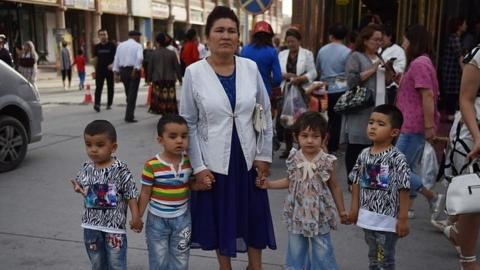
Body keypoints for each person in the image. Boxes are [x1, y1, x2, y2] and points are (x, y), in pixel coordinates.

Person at [179, 6, 276, 270]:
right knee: (222, 216)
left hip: (248, 157)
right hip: (214, 160)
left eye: (231, 31)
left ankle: (255, 266)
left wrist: (264, 155)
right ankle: (226, 267)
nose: (226, 36)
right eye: (219, 30)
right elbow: (188, 122)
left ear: (238, 37)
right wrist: (198, 166)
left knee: (253, 215)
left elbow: (264, 112)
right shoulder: (194, 73)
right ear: (207, 37)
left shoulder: (250, 67)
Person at [256, 112, 347, 270]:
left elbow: (335, 186)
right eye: (304, 135)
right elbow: (290, 181)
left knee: (322, 250)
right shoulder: (294, 158)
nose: (310, 140)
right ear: (296, 137)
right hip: (297, 213)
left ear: (324, 138)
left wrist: (342, 211)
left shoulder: (327, 161)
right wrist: (269, 185)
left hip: (320, 214)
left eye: (315, 136)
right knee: (296, 249)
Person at [70, 120, 142, 269]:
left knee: (116, 263)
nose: (93, 150)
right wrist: (78, 187)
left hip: (114, 229)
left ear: (113, 147)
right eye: (88, 145)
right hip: (91, 226)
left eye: (99, 145)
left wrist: (136, 216)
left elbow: (130, 193)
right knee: (97, 263)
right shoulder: (86, 167)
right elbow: (82, 185)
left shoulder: (120, 169)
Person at [347, 104, 410, 269]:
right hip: (368, 219)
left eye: (381, 124)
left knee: (384, 259)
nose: (373, 127)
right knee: (373, 257)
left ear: (394, 132)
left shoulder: (396, 157)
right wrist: (354, 209)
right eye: (371, 122)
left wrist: (402, 219)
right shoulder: (364, 154)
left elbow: (404, 188)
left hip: (387, 223)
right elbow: (356, 181)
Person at [138, 115, 199, 270]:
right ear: (160, 140)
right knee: (158, 259)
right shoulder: (152, 165)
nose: (179, 140)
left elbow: (190, 185)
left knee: (181, 258)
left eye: (184, 136)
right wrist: (137, 216)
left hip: (182, 219)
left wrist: (201, 185)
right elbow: (145, 193)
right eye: (173, 136)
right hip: (157, 220)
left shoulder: (189, 162)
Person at [395, 24, 442, 219]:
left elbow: (427, 95)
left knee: (395, 166)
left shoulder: (419, 64)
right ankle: (408, 207)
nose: (403, 43)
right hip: (410, 123)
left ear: (413, 41)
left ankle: (432, 196)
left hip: (413, 125)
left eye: (405, 39)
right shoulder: (420, 63)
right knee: (407, 165)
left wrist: (429, 126)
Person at [442, 43, 480, 270]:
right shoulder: (478, 54)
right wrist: (478, 137)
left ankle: (457, 231)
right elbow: (465, 99)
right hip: (473, 129)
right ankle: (469, 261)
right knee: (474, 199)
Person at [342, 24, 385, 187]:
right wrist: (372, 70)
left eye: (381, 40)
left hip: (378, 108)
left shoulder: (380, 57)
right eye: (375, 39)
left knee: (376, 144)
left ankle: (373, 182)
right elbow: (352, 81)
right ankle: (353, 182)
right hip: (360, 109)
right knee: (357, 145)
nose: (379, 43)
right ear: (365, 40)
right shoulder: (356, 57)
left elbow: (383, 82)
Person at [278, 27, 317, 158]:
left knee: (301, 119)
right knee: (287, 119)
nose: (290, 44)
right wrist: (284, 75)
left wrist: (301, 78)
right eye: (288, 42)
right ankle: (288, 149)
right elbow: (277, 73)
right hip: (287, 90)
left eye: (293, 41)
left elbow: (313, 72)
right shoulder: (282, 54)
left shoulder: (307, 54)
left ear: (299, 41)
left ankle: (301, 148)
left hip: (301, 91)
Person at [315, 23, 351, 153]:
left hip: (324, 88)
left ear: (330, 36)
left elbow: (317, 69)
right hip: (341, 88)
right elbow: (349, 72)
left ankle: (321, 142)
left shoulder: (322, 50)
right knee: (336, 119)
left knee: (324, 117)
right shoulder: (347, 51)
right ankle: (333, 146)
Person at [240, 21, 282, 99]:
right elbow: (277, 79)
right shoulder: (272, 51)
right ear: (270, 37)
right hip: (264, 93)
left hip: (245, 92)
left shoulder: (244, 50)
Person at [147, 32, 182, 114]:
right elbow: (177, 67)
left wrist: (148, 79)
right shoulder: (172, 53)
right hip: (170, 79)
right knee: (169, 99)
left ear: (157, 42)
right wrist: (180, 79)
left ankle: (162, 112)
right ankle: (168, 112)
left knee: (159, 99)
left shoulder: (153, 54)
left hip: (157, 79)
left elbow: (150, 68)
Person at [112, 30, 143, 123]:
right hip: (133, 70)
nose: (139, 38)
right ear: (135, 36)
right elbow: (140, 58)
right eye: (139, 36)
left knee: (128, 92)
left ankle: (129, 109)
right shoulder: (138, 46)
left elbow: (116, 58)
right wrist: (135, 69)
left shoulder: (120, 45)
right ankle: (129, 116)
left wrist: (115, 73)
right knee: (132, 94)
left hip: (123, 71)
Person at [442, 17, 468, 121]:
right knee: (452, 95)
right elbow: (459, 57)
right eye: (464, 23)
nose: (466, 26)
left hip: (451, 72)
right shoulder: (455, 39)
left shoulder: (455, 38)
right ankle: (450, 116)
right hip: (451, 73)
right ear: (459, 26)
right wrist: (466, 72)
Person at [379, 24, 406, 105]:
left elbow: (401, 69)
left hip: (390, 89)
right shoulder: (377, 49)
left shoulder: (398, 50)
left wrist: (388, 67)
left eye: (382, 38)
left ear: (389, 37)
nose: (380, 41)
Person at [93, 29, 117, 112]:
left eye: (105, 34)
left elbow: (116, 57)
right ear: (99, 36)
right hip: (100, 70)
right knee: (98, 87)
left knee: (110, 87)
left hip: (109, 70)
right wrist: (95, 70)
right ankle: (97, 104)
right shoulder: (97, 47)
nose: (103, 36)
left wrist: (113, 64)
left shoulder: (112, 45)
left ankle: (109, 103)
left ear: (107, 35)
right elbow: (95, 58)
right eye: (101, 34)